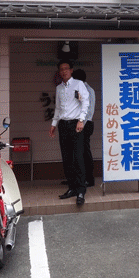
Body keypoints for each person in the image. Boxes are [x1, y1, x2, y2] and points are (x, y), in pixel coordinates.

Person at [49, 60, 90, 206]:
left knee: (78, 157)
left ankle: (81, 191)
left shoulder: (78, 84)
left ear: (71, 70)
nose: (64, 71)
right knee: (67, 158)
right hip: (63, 125)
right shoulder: (59, 88)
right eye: (61, 69)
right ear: (59, 72)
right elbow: (58, 108)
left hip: (75, 124)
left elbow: (85, 102)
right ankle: (72, 188)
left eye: (66, 69)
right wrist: (54, 124)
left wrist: (81, 120)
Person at [72, 69, 95, 187]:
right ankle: (80, 178)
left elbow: (87, 111)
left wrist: (80, 124)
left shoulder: (86, 90)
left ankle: (89, 179)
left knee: (84, 152)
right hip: (84, 123)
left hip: (85, 124)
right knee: (80, 152)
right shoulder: (86, 89)